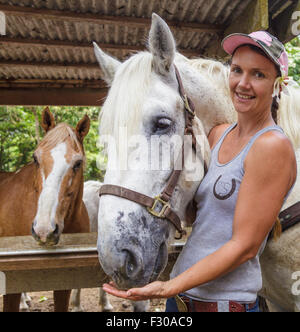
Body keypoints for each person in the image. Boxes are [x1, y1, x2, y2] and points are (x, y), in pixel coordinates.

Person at [102, 31, 297, 312]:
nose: (243, 83)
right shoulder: (217, 136)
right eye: (237, 70)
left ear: (278, 85)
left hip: (224, 304)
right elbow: (199, 211)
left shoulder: (272, 146)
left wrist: (169, 286)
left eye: (258, 75)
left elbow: (245, 246)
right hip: (182, 302)